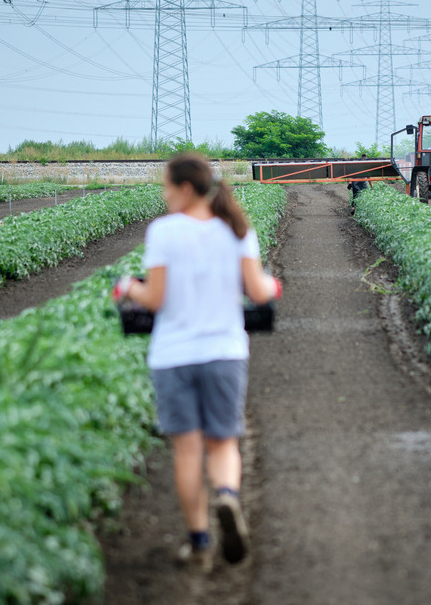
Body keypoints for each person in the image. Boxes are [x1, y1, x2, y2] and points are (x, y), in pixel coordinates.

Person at [113, 153, 281, 573]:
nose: (164, 194)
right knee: (223, 441)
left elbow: (154, 298)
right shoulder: (237, 229)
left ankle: (200, 540)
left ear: (186, 188)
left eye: (167, 186)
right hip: (224, 351)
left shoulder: (164, 233)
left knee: (187, 451)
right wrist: (271, 284)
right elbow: (259, 293)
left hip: (173, 356)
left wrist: (128, 288)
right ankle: (227, 494)